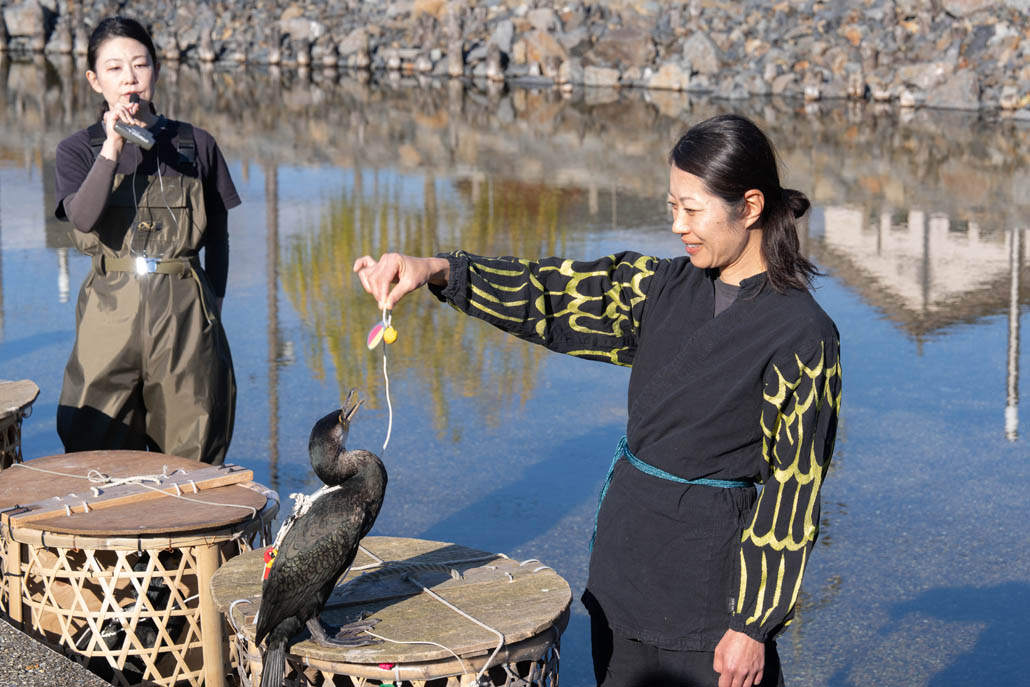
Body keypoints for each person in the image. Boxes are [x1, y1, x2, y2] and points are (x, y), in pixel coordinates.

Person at [353, 114, 842, 687]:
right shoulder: (660, 287)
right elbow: (550, 295)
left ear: (750, 206)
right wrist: (437, 271)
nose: (678, 225)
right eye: (672, 207)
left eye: (691, 209)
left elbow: (793, 492)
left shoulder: (802, 334)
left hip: (714, 596)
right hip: (624, 571)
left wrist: (753, 626)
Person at [53, 16, 240, 465]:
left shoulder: (196, 144)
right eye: (115, 68)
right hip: (109, 310)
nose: (130, 78)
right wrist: (112, 148)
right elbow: (83, 218)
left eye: (140, 65)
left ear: (156, 70)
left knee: (191, 453)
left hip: (184, 312)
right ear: (95, 80)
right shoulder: (77, 150)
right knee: (95, 450)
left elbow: (219, 238)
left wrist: (211, 307)